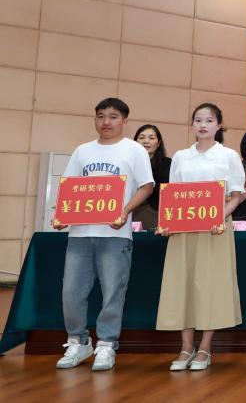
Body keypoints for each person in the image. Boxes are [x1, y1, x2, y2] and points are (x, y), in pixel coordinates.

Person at [54, 98, 155, 371]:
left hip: (115, 235)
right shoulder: (82, 151)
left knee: (113, 293)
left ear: (124, 120)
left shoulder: (134, 150)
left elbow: (146, 186)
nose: (106, 122)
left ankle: (107, 345)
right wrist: (62, 215)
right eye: (100, 116)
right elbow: (70, 187)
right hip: (79, 235)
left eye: (112, 116)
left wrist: (125, 211)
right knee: (71, 292)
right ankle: (78, 341)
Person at [155, 103, 245, 371]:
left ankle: (204, 348)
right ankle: (185, 348)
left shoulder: (228, 155)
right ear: (192, 124)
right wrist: (167, 222)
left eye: (209, 120)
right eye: (198, 120)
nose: (203, 125)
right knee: (182, 283)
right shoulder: (181, 156)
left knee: (211, 285)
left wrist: (219, 217)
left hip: (216, 230)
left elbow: (236, 195)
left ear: (219, 125)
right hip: (183, 230)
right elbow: (172, 195)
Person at [133, 123, 171, 231]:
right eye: (141, 138)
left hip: (155, 212)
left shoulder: (167, 164)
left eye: (151, 138)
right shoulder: (128, 163)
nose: (146, 141)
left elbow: (166, 193)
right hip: (129, 211)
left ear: (158, 143)